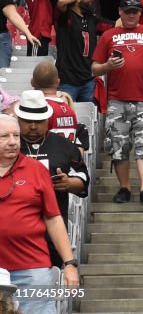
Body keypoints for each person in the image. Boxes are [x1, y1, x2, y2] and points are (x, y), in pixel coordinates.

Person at [91, 0, 143, 207]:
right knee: (118, 146)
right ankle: (124, 187)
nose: (131, 15)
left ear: (140, 13)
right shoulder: (109, 35)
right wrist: (108, 67)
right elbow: (94, 67)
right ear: (120, 12)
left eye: (135, 11)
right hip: (117, 99)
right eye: (128, 11)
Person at [0, 114, 80, 314]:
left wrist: (69, 263)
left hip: (32, 268)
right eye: (4, 136)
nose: (12, 142)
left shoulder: (36, 170)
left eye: (16, 136)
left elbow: (53, 218)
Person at [15, 91, 90, 266]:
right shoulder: (9, 145)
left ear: (48, 119)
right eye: (27, 121)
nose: (33, 126)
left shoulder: (64, 145)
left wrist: (69, 183)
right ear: (18, 119)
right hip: (12, 236)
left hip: (51, 233)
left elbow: (83, 179)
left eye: (38, 121)